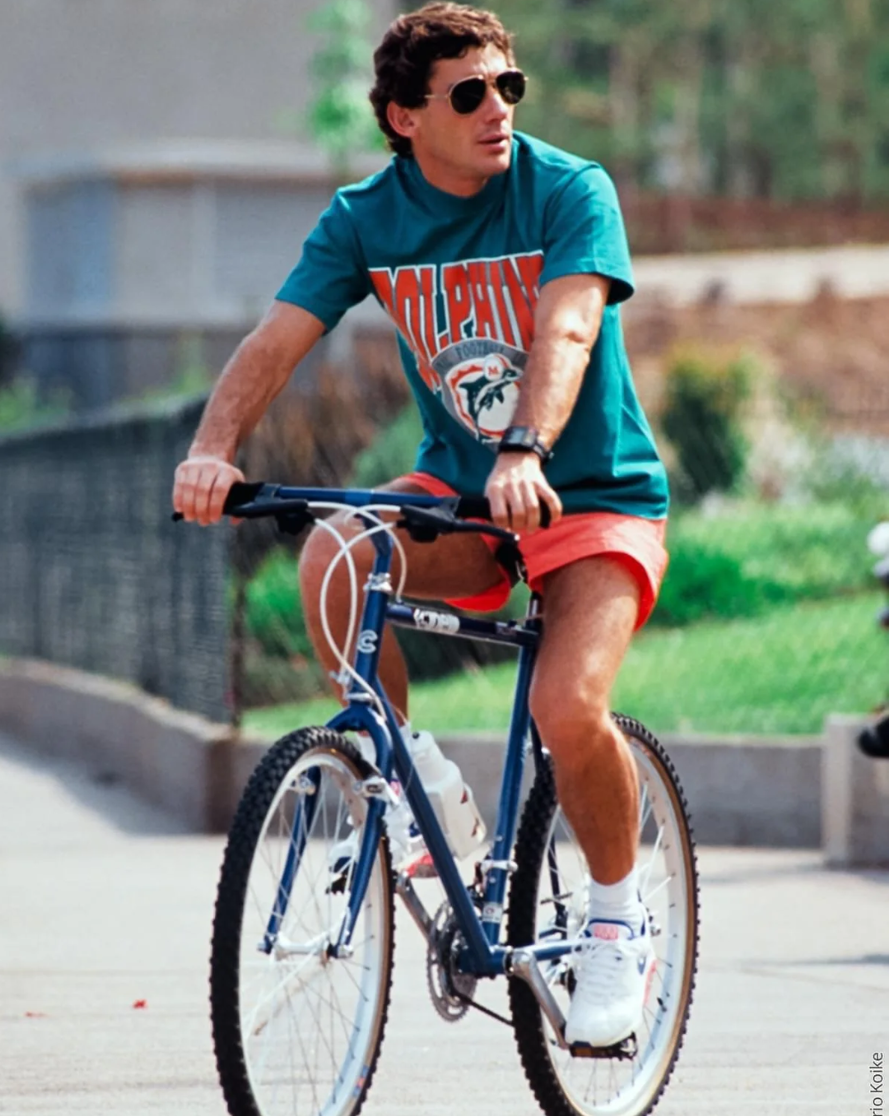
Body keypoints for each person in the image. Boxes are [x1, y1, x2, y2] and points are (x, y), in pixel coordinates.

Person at [173, 2, 669, 1050]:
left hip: (591, 498)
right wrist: (212, 450)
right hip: (461, 498)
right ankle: (412, 786)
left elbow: (569, 323)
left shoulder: (568, 189)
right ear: (404, 118)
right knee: (337, 553)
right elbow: (280, 336)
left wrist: (527, 447)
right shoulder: (366, 216)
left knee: (568, 710)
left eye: (507, 87)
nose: (497, 110)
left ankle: (617, 927)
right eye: (467, 95)